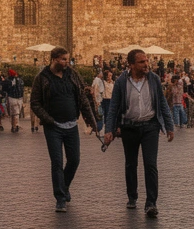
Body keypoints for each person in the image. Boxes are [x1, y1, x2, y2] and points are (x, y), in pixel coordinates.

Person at [104, 49, 174, 216]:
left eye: (146, 61)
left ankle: (151, 203)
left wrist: (169, 126)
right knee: (131, 163)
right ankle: (132, 196)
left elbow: (162, 103)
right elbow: (113, 107)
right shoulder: (122, 81)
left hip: (150, 126)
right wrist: (109, 130)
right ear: (131, 65)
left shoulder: (154, 79)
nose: (146, 65)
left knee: (150, 164)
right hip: (129, 127)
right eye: (142, 62)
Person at [30, 47, 97, 212]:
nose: (67, 62)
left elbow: (82, 98)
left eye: (67, 59)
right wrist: (48, 120)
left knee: (74, 159)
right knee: (57, 162)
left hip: (71, 125)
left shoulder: (72, 74)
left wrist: (92, 121)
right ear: (53, 59)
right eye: (63, 59)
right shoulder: (42, 77)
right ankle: (60, 198)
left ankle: (64, 186)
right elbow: (35, 103)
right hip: (53, 127)